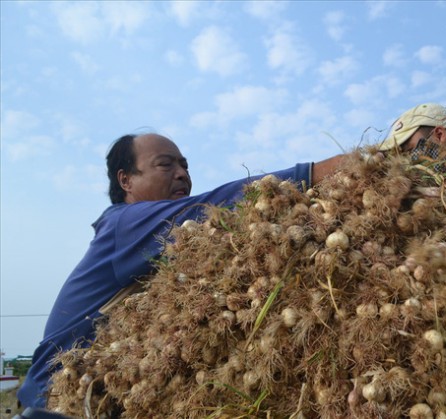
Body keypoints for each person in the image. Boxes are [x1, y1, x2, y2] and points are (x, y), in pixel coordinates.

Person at [17, 132, 345, 408]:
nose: (182, 173)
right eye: (165, 164)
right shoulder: (125, 223)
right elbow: (219, 204)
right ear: (126, 180)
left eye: (185, 165)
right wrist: (313, 174)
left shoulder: (177, 250)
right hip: (57, 401)